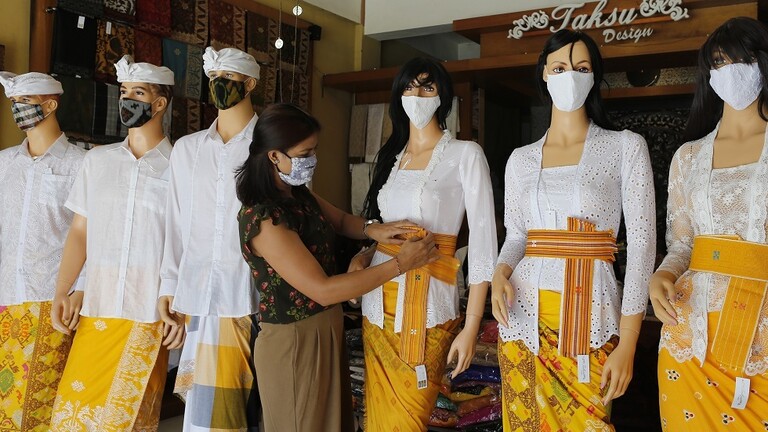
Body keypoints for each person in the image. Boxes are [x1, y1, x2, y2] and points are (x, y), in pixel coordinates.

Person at [491, 30, 655, 431]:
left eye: (581, 68)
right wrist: (499, 272)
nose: (571, 76)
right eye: (560, 67)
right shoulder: (520, 160)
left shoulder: (624, 147)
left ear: (594, 76)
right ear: (544, 74)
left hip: (591, 319)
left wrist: (629, 340)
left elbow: (642, 245)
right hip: (521, 322)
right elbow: (517, 236)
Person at [237, 102, 438, 431]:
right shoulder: (264, 219)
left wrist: (374, 229)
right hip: (294, 343)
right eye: (305, 153)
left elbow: (342, 221)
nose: (312, 159)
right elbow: (323, 290)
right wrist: (401, 263)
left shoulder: (298, 195)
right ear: (274, 156)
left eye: (314, 150)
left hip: (326, 330)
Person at [355, 57, 498, 431]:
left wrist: (472, 325)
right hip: (377, 302)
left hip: (430, 300)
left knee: (413, 417)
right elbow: (384, 228)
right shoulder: (393, 157)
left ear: (443, 97)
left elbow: (484, 243)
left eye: (427, 87)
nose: (416, 95)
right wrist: (366, 253)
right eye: (409, 87)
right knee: (378, 420)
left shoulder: (466, 154)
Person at [650, 17, 768, 430]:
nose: (729, 71)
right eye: (718, 62)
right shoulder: (688, 156)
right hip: (689, 333)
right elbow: (682, 245)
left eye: (742, 59)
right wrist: (661, 275)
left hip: (762, 335)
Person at [49, 55, 177, 431]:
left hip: (149, 309)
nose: (127, 100)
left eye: (138, 93)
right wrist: (64, 290)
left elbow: (184, 242)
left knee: (126, 419)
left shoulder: (179, 167)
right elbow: (81, 231)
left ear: (159, 103)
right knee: (72, 414)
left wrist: (181, 306)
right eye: (124, 92)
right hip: (97, 306)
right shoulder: (98, 161)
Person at [158, 46, 262, 431]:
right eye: (214, 78)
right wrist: (170, 285)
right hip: (199, 295)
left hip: (248, 293)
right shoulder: (187, 150)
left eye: (228, 78)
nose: (218, 85)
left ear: (249, 84)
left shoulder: (269, 146)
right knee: (208, 411)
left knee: (241, 409)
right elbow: (176, 222)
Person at [0, 72, 85, 431]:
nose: (17, 109)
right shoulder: (4, 163)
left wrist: (80, 288)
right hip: (5, 298)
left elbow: (91, 234)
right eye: (14, 103)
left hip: (51, 300)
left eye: (25, 102)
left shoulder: (81, 164)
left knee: (40, 405)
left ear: (50, 105)